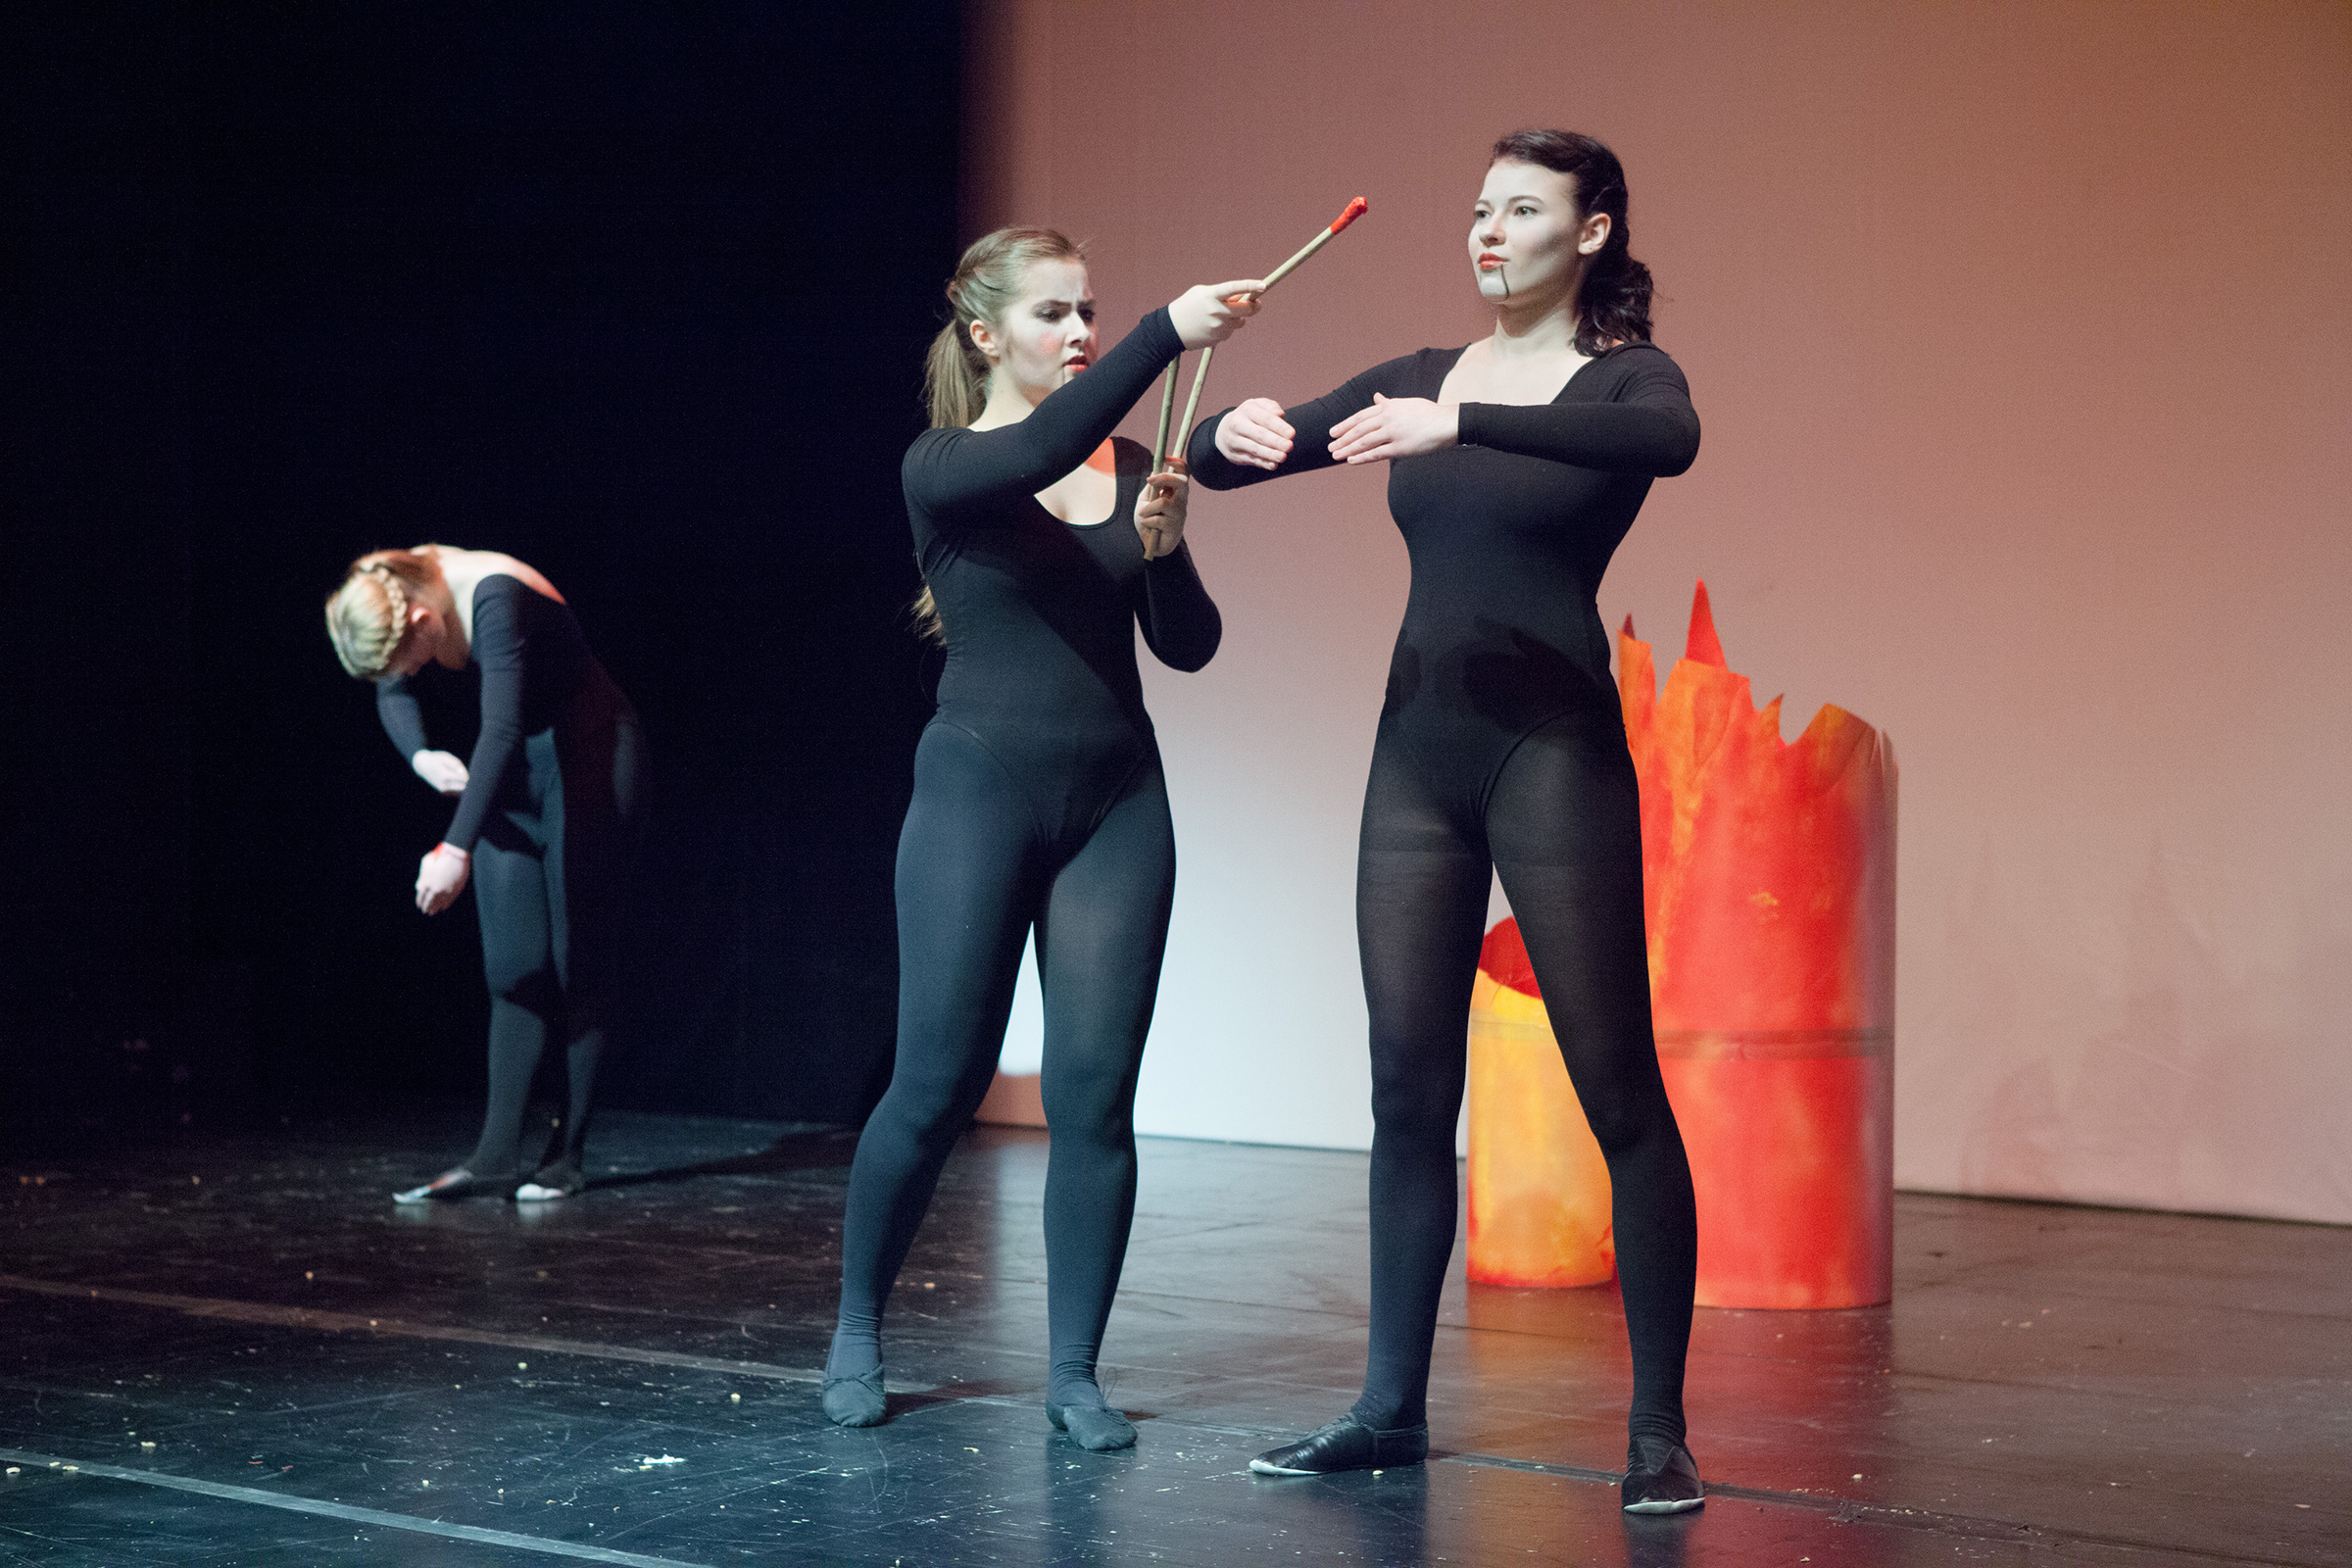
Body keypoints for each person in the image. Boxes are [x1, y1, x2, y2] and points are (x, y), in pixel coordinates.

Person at [1185, 130, 1707, 1512]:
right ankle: (1387, 1411)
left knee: (1617, 1087)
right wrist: (1230, 432)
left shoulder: (1620, 381)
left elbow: (1670, 441)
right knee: (1407, 1089)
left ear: (1589, 232)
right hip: (1417, 757)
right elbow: (1234, 461)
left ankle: (1658, 1430)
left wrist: (1463, 423)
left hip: (1553, 754)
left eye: (1521, 209)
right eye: (1479, 208)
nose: (1487, 229)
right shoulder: (1418, 373)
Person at [821, 228, 1260, 1451]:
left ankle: (1073, 1372)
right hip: (979, 793)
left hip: (1117, 802)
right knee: (936, 1083)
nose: (1079, 332)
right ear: (985, 334)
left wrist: (1164, 553)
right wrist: (1164, 330)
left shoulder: (1128, 461)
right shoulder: (947, 464)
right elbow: (1045, 449)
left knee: (1096, 1095)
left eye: (1090, 312)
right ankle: (856, 1328)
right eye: (1053, 314)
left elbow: (1188, 647)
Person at [324, 545, 648, 1204]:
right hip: (517, 772)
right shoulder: (391, 586)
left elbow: (500, 727)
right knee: (512, 964)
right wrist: (419, 756)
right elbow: (393, 687)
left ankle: (565, 1158)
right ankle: (496, 1157)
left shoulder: (494, 597)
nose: (408, 674)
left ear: (421, 620)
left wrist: (454, 848)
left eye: (408, 659)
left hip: (590, 758)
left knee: (578, 962)